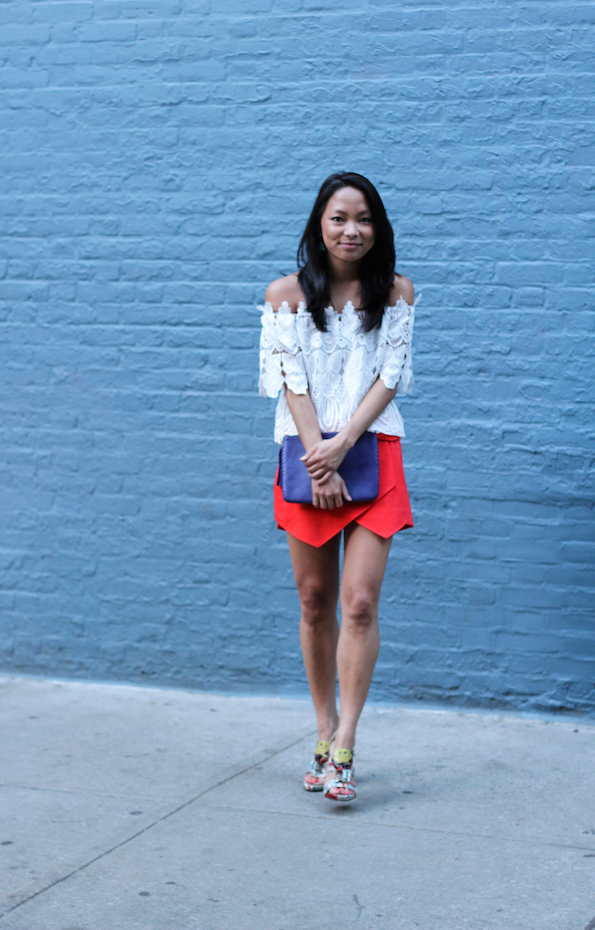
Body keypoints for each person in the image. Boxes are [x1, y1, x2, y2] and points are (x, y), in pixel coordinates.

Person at [258, 172, 418, 802]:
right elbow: (287, 378)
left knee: (358, 604)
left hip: (372, 453)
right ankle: (322, 729)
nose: (352, 230)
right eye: (339, 218)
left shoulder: (397, 293)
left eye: (364, 219)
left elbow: (390, 375)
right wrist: (318, 459)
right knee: (314, 599)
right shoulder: (285, 295)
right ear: (318, 226)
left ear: (377, 229)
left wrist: (343, 444)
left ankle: (346, 747)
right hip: (307, 455)